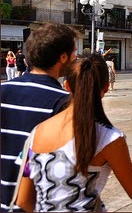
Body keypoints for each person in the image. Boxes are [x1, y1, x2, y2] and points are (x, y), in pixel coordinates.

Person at [14, 54, 132, 212]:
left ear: (66, 86)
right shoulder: (109, 138)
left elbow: (23, 200)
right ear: (106, 88)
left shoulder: (37, 132)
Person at [1, 23, 77, 210]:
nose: (76, 59)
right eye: (74, 53)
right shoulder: (64, 103)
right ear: (63, 57)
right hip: (32, 204)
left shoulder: (2, 90)